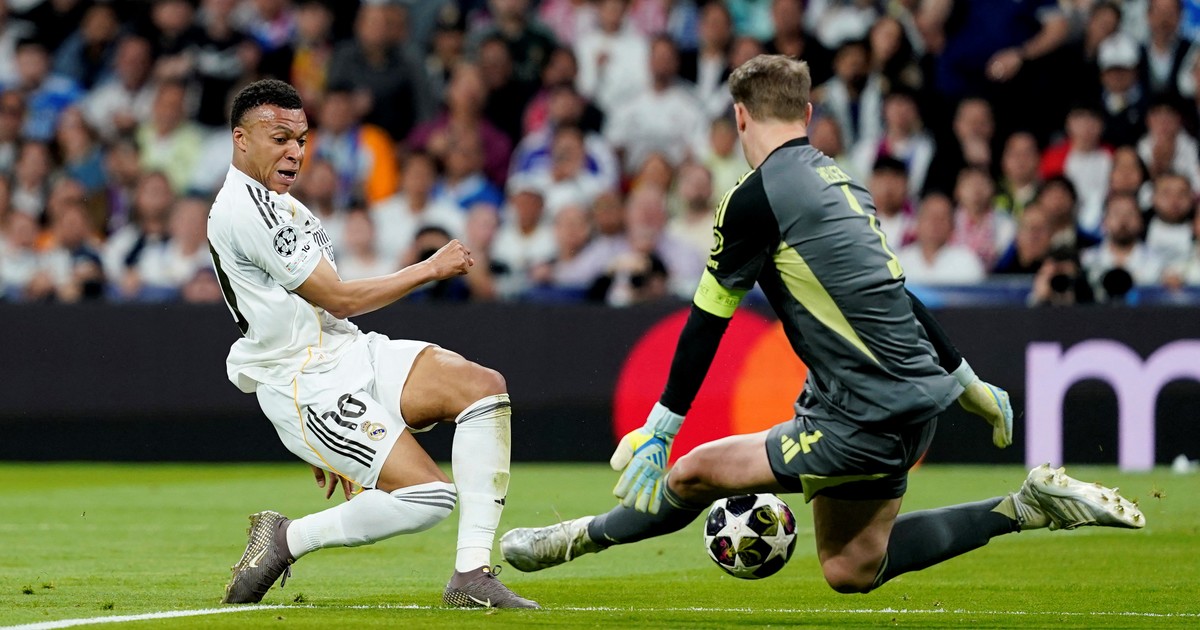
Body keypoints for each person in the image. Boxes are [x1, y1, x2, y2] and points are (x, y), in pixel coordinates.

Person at [500, 55, 1143, 595]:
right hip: (907, 404)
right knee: (852, 567)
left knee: (693, 472)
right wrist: (966, 381)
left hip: (864, 413)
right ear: (806, 114)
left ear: (740, 117)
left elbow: (708, 316)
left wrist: (662, 427)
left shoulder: (755, 196)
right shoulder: (843, 185)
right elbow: (898, 293)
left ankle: (571, 538)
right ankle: (1024, 506)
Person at [208, 79, 537, 609]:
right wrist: (429, 268)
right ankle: (287, 539)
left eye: (301, 139)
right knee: (430, 497)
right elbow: (338, 299)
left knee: (482, 387)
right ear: (240, 139)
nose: (295, 151)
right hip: (305, 382)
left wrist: (326, 446)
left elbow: (324, 312)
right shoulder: (245, 210)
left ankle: (472, 576)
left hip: (350, 352)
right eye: (280, 138)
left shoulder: (280, 203)